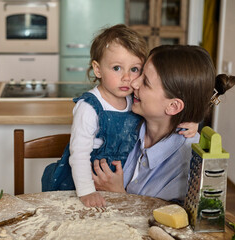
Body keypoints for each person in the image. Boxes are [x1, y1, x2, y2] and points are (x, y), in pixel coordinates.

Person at [41, 25, 197, 207]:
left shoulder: (134, 100)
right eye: (117, 68)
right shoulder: (89, 108)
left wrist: (192, 123)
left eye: (135, 69)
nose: (127, 78)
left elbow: (167, 111)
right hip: (82, 184)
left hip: (113, 187)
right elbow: (79, 155)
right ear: (97, 70)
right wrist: (87, 191)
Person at [92, 45, 235, 203]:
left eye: (145, 82)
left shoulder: (189, 164)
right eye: (140, 73)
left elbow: (170, 220)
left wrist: (119, 195)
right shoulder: (126, 118)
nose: (134, 83)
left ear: (173, 106)